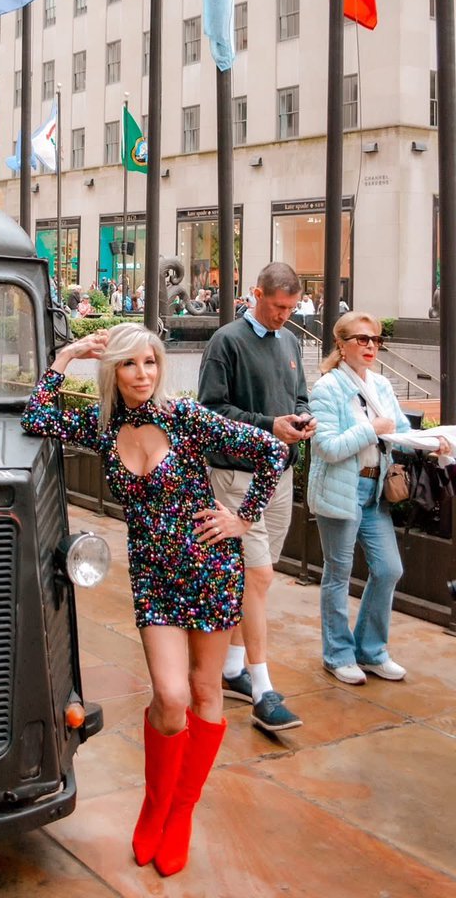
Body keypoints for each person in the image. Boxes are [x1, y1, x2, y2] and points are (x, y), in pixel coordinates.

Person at [21, 324, 286, 876]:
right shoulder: (102, 425)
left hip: (210, 570)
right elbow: (35, 418)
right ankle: (155, 804)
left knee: (204, 689)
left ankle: (181, 813)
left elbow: (272, 449)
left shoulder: (185, 418)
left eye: (151, 363)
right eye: (130, 365)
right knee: (169, 696)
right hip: (154, 578)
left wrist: (241, 517)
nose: (143, 375)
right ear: (112, 371)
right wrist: (67, 354)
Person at [197, 261, 316, 732]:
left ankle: (230, 670)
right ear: (256, 294)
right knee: (258, 577)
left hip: (279, 474)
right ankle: (263, 688)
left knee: (259, 582)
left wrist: (302, 420)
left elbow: (300, 396)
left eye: (291, 307)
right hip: (236, 478)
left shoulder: (290, 340)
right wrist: (270, 425)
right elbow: (210, 412)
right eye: (278, 306)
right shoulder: (226, 341)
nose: (285, 316)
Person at [307, 312, 443, 684]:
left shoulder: (381, 386)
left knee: (389, 569)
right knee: (337, 574)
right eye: (361, 339)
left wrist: (435, 444)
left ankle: (371, 650)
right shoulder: (327, 388)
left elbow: (399, 433)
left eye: (375, 341)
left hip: (375, 491)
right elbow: (327, 447)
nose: (370, 346)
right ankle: (337, 655)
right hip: (341, 489)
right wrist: (370, 429)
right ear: (342, 344)